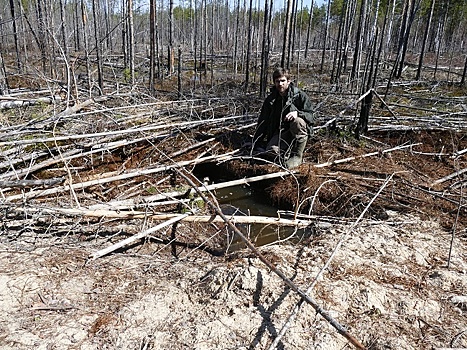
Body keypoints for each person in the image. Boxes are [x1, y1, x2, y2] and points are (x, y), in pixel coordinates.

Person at [252, 68, 314, 169]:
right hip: (282, 131)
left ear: (288, 81)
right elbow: (263, 121)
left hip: (297, 131)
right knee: (271, 151)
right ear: (274, 82)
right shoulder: (271, 99)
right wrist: (255, 141)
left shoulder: (300, 96)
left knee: (297, 122)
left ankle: (297, 156)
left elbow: (312, 116)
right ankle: (286, 151)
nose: (280, 84)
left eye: (283, 81)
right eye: (277, 81)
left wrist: (298, 114)